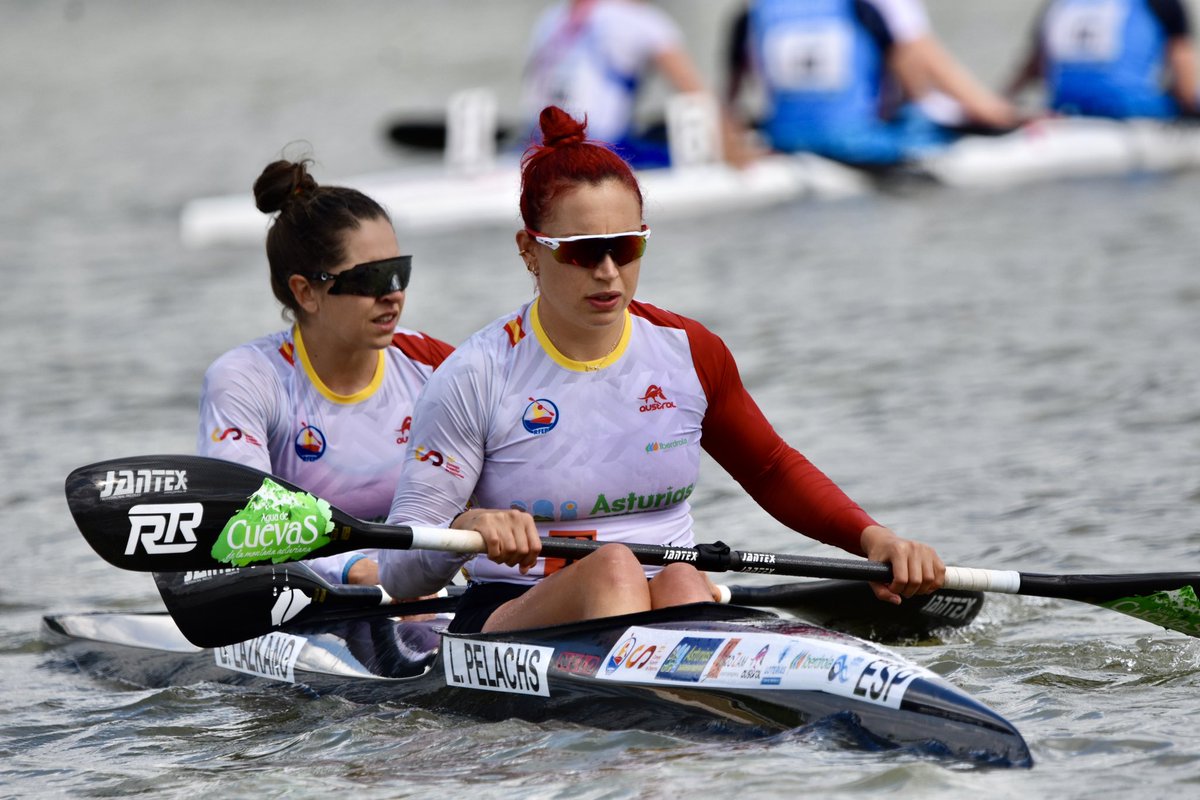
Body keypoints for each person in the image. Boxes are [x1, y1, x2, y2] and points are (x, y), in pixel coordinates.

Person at [375, 106, 945, 634]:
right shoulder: (475, 376)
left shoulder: (689, 351)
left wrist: (875, 539)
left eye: (625, 247)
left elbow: (770, 469)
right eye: (581, 251)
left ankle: (679, 734)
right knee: (614, 570)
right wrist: (468, 525)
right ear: (530, 250)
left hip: (665, 598)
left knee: (678, 579)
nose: (607, 271)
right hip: (509, 615)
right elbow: (398, 576)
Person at [196, 158, 454, 586]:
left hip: (419, 585)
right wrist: (356, 570)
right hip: (305, 594)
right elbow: (244, 523)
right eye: (371, 279)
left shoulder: (432, 362)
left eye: (399, 272)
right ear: (306, 292)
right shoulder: (246, 380)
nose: (393, 295)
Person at [726, 0, 1020, 165]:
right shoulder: (868, 6)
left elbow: (730, 100)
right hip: (862, 144)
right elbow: (920, 87)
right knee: (923, 115)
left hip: (782, 141)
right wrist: (1003, 119)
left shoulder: (751, 12)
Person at [520, 0, 755, 168]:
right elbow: (696, 97)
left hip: (537, 147)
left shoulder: (554, 17)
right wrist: (737, 154)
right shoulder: (642, 22)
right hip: (598, 151)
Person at [1005, 0, 1199, 118]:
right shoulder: (1163, 3)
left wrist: (1003, 105)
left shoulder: (1059, 3)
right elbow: (1186, 89)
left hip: (1062, 109)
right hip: (1132, 112)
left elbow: (1034, 65)